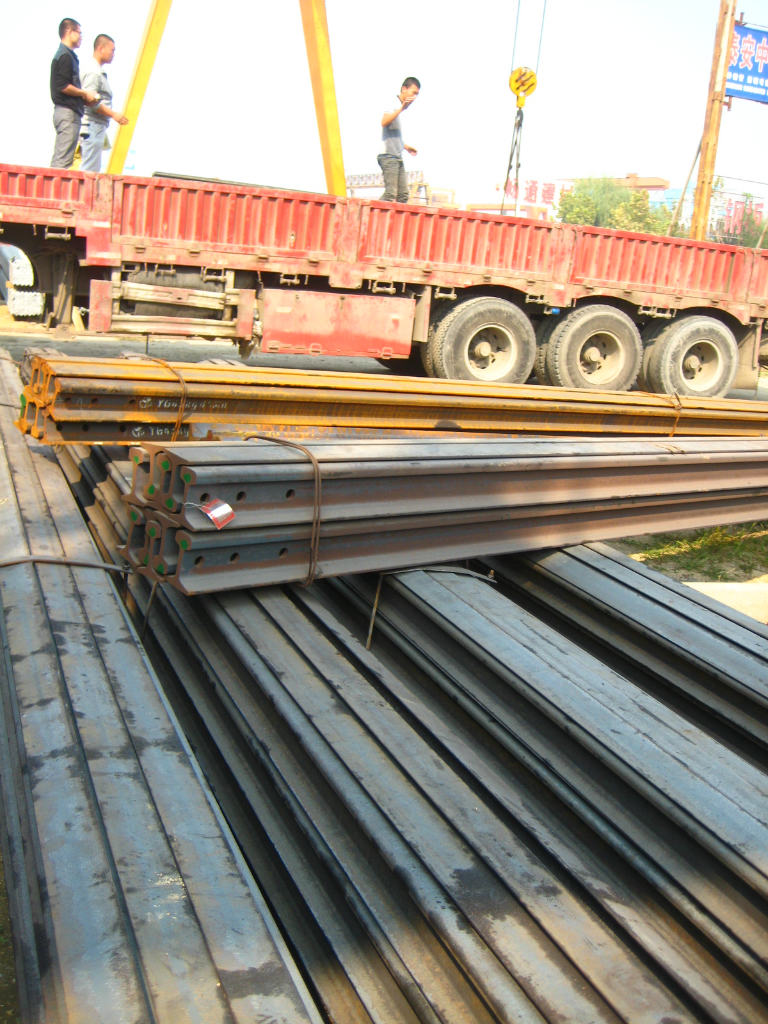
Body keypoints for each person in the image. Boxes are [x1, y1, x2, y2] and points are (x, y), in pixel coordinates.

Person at [50, 18, 99, 168]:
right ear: (69, 32)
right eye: (79, 32)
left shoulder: (67, 55)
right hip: (67, 113)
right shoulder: (65, 56)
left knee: (64, 159)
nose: (81, 37)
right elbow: (63, 86)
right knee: (62, 162)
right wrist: (84, 93)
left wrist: (84, 98)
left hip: (67, 113)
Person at [79, 34, 129, 172]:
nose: (113, 54)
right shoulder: (94, 72)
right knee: (89, 171)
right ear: (101, 49)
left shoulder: (96, 70)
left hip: (95, 126)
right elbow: (90, 101)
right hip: (92, 126)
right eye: (112, 50)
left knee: (91, 169)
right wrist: (113, 115)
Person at [378, 77, 420, 203]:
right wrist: (401, 108)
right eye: (413, 93)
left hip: (397, 155)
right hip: (388, 156)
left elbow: (392, 134)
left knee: (403, 195)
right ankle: (370, 212)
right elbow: (384, 122)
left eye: (417, 95)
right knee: (390, 194)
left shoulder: (399, 108)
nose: (414, 97)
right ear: (404, 89)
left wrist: (405, 147)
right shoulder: (392, 103)